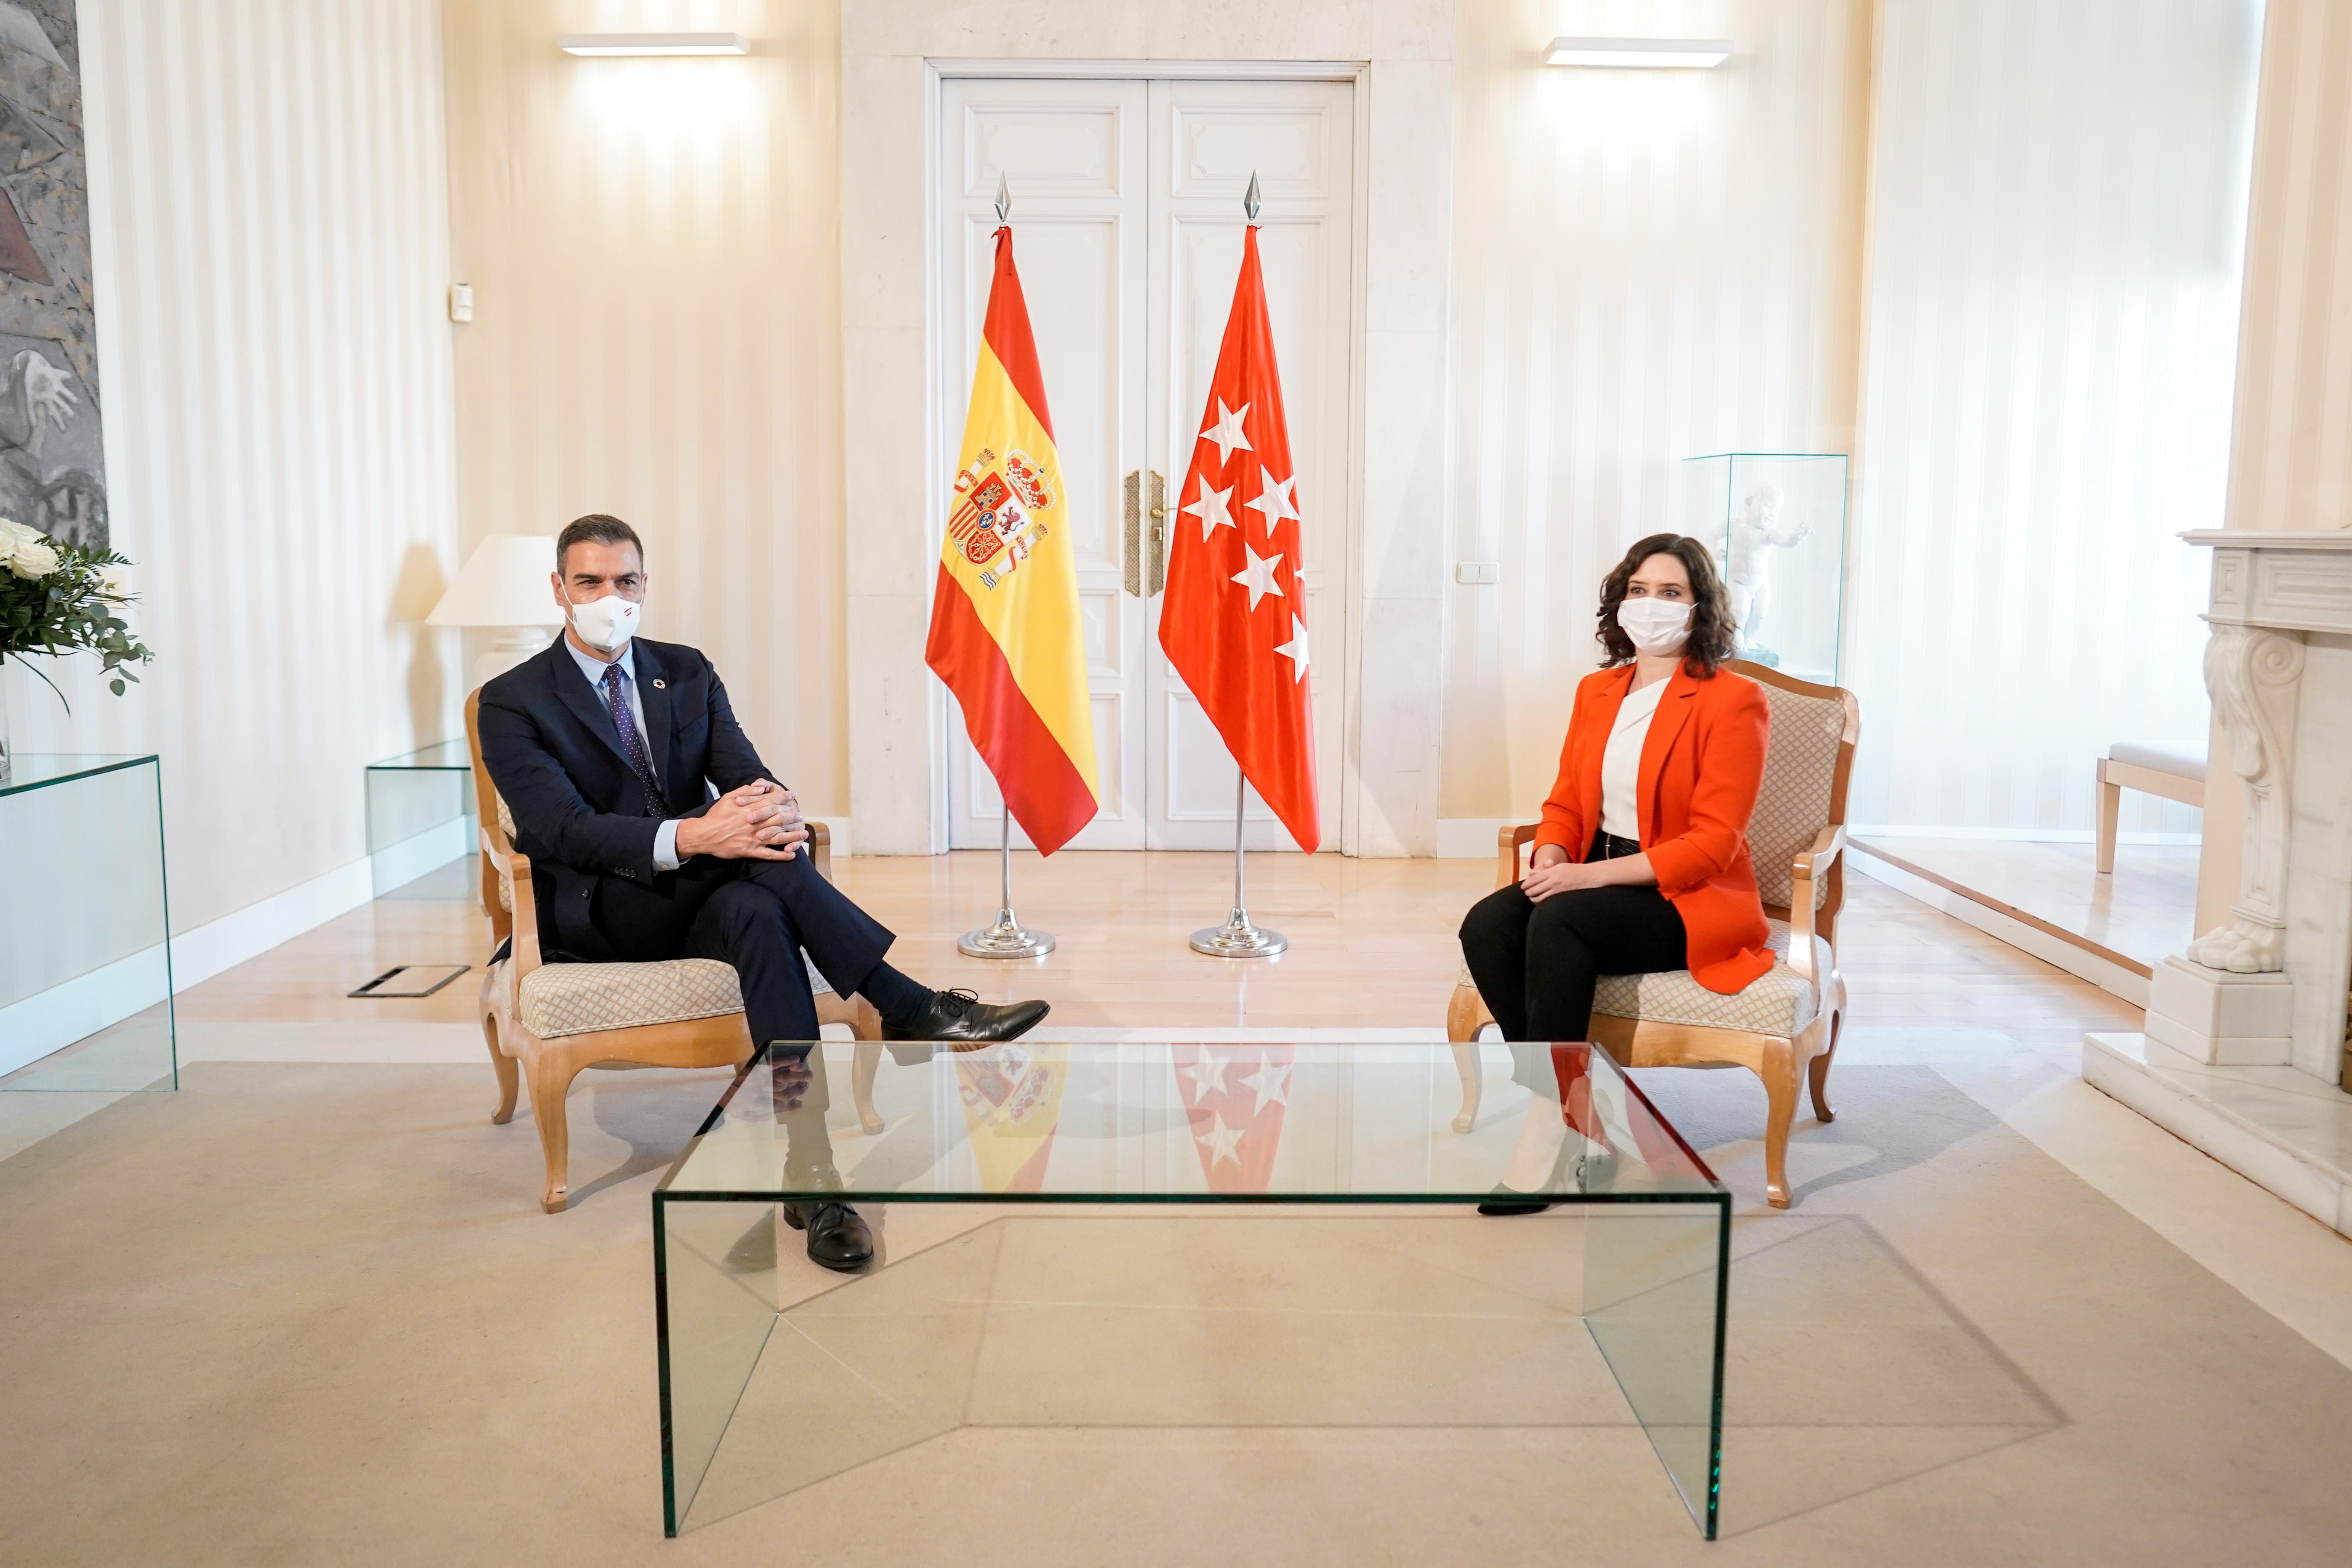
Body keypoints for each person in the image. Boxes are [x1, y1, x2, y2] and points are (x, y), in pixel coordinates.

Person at [477, 513, 1050, 1270]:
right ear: (560, 590)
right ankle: (906, 1005)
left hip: (713, 894)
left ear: (644, 587)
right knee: (760, 866)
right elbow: (561, 830)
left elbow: (748, 774)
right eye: (590, 582)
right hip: (607, 908)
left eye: (625, 582)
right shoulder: (513, 699)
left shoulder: (684, 671)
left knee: (760, 899)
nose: (608, 597)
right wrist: (698, 836)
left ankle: (808, 1166)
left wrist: (768, 810)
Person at [1457, 532, 1773, 1213]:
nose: (1651, 605)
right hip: (1591, 869)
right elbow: (1567, 800)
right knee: (1488, 925)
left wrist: (1585, 881)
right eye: (1638, 590)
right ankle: (1583, 1114)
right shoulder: (1598, 691)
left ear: (1700, 609)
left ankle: (1550, 1131)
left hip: (1683, 894)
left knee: (1564, 918)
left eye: (1670, 593)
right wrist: (1551, 855)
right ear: (1618, 602)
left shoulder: (1733, 700)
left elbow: (1714, 844)